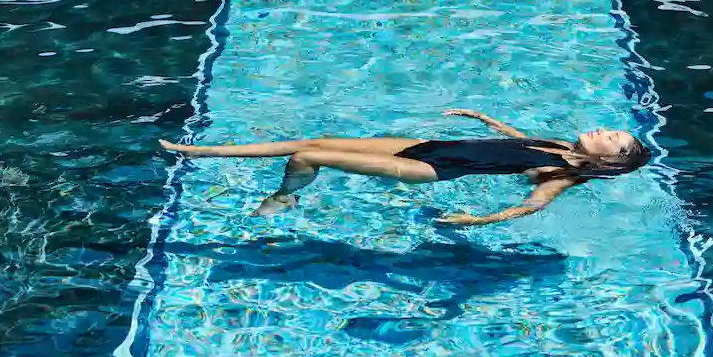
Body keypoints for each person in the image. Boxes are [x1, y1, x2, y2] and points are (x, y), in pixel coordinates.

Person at [159, 109, 651, 226]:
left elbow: (529, 207)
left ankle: (285, 195)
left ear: (609, 161)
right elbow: (512, 140)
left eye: (613, 141)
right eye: (611, 131)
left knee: (305, 158)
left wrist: (476, 221)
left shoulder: (564, 174)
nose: (604, 133)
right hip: (433, 142)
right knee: (315, 140)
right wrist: (479, 117)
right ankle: (204, 152)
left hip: (435, 170)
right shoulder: (557, 144)